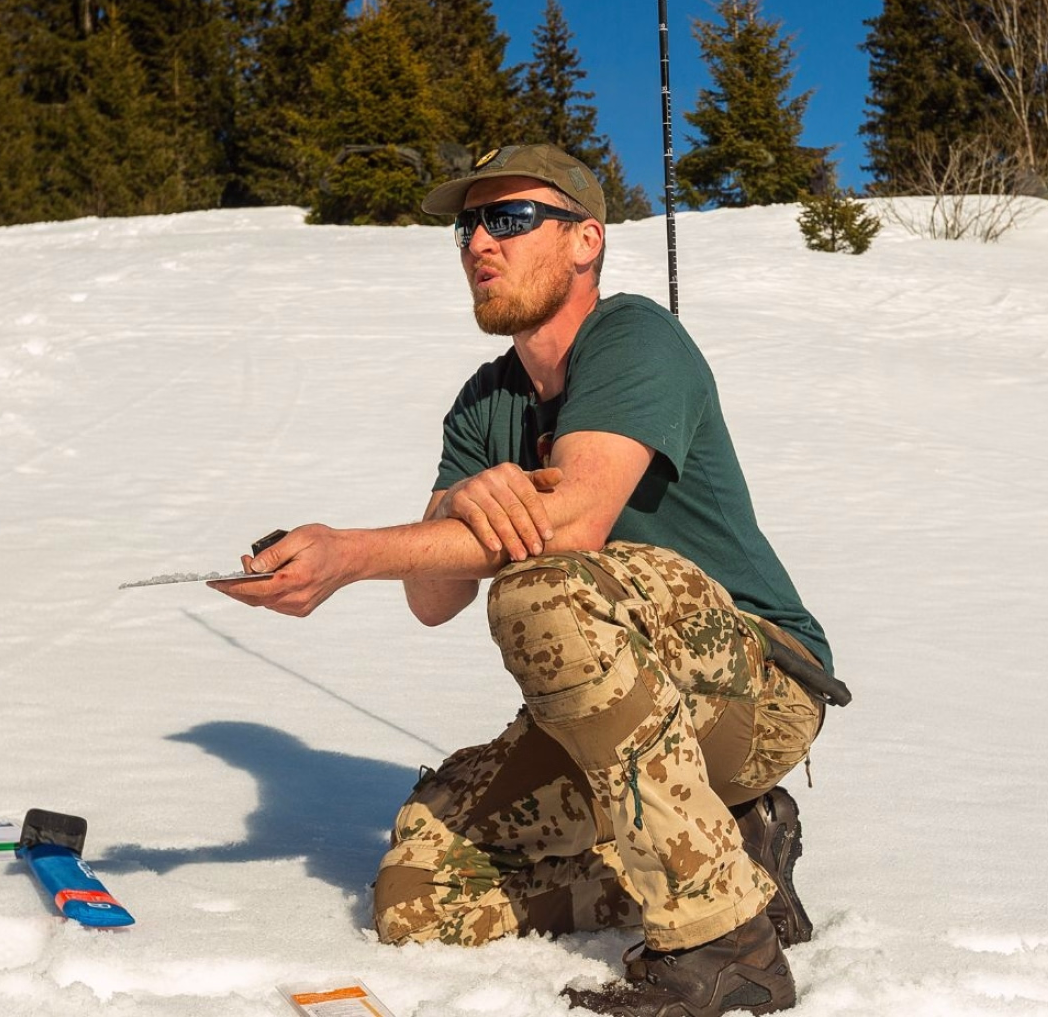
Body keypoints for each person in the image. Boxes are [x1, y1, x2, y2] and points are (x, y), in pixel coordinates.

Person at [214, 144, 843, 1016]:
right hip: (623, 710)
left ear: (586, 240)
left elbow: (573, 524)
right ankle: (737, 863)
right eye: (468, 225)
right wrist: (457, 503)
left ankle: (723, 946)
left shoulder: (635, 337)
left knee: (544, 587)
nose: (479, 242)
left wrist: (348, 554)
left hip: (757, 689)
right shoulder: (486, 402)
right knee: (421, 896)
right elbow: (434, 600)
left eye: (508, 218)